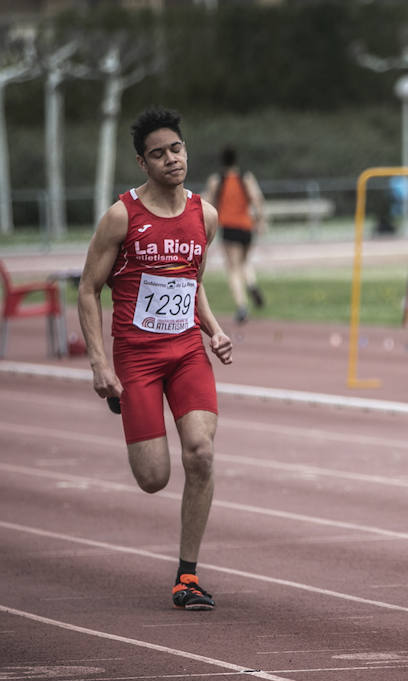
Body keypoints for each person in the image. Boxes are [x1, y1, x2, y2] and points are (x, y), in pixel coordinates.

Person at [76, 107, 233, 609]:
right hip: (137, 360)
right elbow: (87, 290)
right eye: (159, 153)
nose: (171, 159)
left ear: (186, 150)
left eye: (177, 149)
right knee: (153, 479)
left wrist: (213, 329)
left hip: (187, 353)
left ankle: (187, 577)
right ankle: (122, 400)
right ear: (142, 163)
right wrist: (100, 363)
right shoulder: (122, 216)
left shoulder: (204, 215)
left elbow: (192, 282)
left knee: (202, 455)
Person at [204, 146, 265, 324]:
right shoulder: (246, 177)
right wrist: (260, 221)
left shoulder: (217, 180)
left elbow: (207, 202)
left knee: (232, 268)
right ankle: (252, 284)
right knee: (244, 262)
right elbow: (257, 199)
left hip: (229, 228)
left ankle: (241, 305)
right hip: (247, 227)